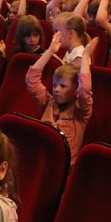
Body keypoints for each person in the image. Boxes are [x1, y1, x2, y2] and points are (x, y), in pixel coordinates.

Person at [26, 33, 96, 165]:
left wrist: (85, 57)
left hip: (62, 167)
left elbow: (85, 90)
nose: (56, 89)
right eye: (54, 85)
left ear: (75, 90)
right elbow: (31, 80)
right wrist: (50, 51)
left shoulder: (80, 112)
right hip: (39, 159)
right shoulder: (49, 102)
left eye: (63, 86)